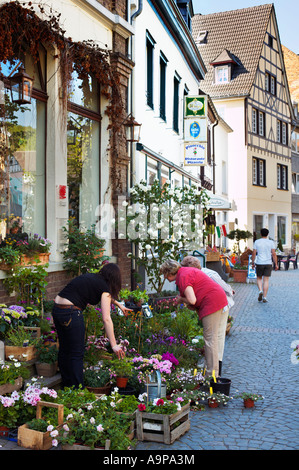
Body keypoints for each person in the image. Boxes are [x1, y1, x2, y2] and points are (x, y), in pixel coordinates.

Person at [52, 263, 129, 389]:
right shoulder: (105, 288)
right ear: (115, 279)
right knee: (77, 353)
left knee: (65, 350)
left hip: (57, 309)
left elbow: (104, 295)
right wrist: (114, 345)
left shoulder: (94, 278)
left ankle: (67, 387)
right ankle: (78, 390)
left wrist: (118, 304)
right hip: (71, 312)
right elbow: (106, 319)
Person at [160, 259, 228, 378]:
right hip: (215, 299)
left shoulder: (183, 277)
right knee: (211, 339)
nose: (165, 278)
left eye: (165, 275)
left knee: (210, 340)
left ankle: (212, 376)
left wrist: (181, 300)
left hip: (212, 302)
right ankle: (211, 372)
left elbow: (192, 300)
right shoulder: (184, 273)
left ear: (169, 272)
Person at [181, 255, 235, 377]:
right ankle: (212, 367)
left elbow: (225, 287)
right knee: (213, 336)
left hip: (222, 304)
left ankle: (216, 368)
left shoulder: (209, 274)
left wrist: (231, 291)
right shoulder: (193, 276)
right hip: (210, 305)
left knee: (218, 335)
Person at [251, 228, 278, 303]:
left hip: (259, 262)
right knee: (266, 280)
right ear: (268, 234)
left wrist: (253, 262)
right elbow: (273, 254)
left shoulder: (257, 242)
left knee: (259, 278)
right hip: (268, 263)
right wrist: (276, 264)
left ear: (261, 234)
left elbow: (254, 253)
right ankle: (265, 297)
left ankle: (260, 291)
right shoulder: (271, 242)